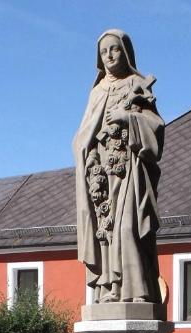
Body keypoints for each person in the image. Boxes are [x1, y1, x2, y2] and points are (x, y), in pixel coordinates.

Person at [74, 29, 164, 304]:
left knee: (128, 228)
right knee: (107, 230)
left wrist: (127, 118)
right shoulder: (97, 92)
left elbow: (156, 129)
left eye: (114, 49)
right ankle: (110, 288)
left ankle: (137, 290)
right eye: (104, 52)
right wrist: (88, 155)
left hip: (130, 172)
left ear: (125, 52)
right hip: (102, 173)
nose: (109, 56)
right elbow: (82, 136)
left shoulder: (138, 84)